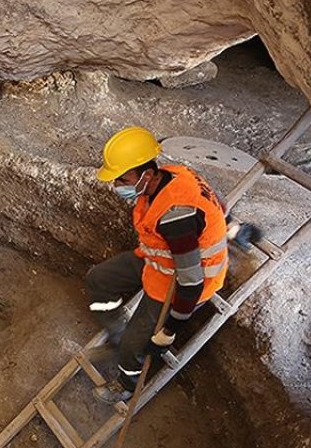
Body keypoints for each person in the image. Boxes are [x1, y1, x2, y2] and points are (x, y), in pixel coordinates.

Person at [87, 126, 238, 404]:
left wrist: (169, 330)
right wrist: (233, 229)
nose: (118, 186)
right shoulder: (172, 173)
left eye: (123, 179)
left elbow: (190, 283)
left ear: (146, 174)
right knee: (99, 279)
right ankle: (117, 331)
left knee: (134, 345)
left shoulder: (175, 217)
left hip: (184, 283)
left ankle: (126, 382)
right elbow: (219, 204)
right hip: (158, 261)